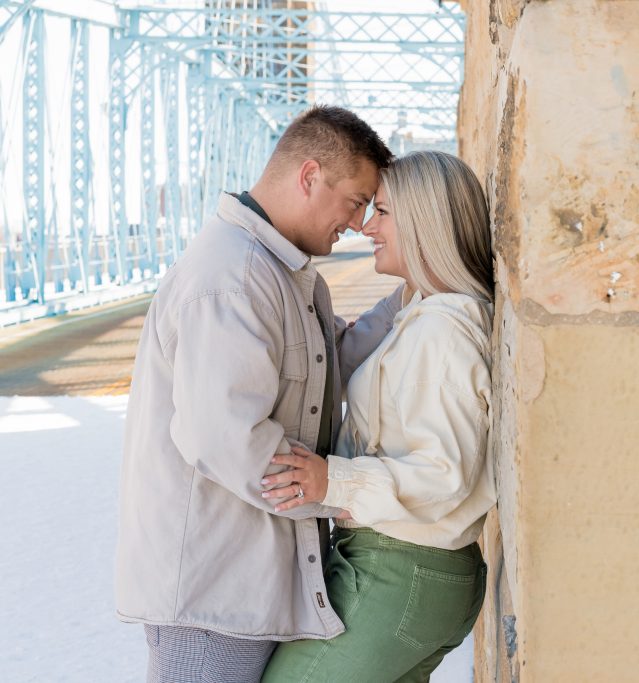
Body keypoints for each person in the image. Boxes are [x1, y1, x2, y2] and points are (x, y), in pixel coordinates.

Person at [116, 104, 401, 683]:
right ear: (309, 176)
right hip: (213, 596)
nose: (357, 222)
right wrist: (343, 495)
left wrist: (422, 288)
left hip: (249, 585)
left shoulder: (281, 274)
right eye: (355, 200)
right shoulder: (233, 278)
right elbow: (228, 440)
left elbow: (336, 360)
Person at [259, 150, 495, 682]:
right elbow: (345, 354)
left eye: (382, 212)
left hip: (403, 571)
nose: (367, 226)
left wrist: (330, 479)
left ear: (423, 222)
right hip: (406, 569)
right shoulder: (420, 314)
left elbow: (444, 475)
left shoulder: (441, 333)